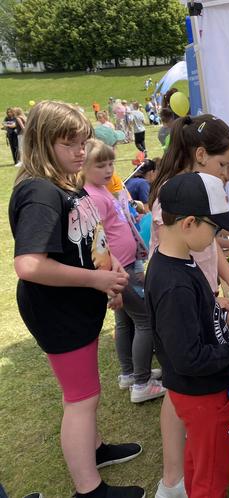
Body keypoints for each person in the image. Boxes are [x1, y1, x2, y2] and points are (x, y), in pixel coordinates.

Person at [8, 100, 144, 497]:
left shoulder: (68, 182)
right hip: (56, 311)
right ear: (42, 142)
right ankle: (89, 490)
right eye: (70, 144)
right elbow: (29, 265)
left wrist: (112, 273)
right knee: (81, 399)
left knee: (88, 391)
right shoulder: (38, 191)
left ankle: (95, 449)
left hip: (76, 303)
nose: (81, 151)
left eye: (84, 141)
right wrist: (95, 280)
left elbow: (90, 237)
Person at [148, 114, 229, 498]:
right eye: (214, 229)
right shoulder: (173, 284)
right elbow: (188, 358)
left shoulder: (183, 261)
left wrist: (227, 316)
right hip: (204, 396)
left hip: (207, 395)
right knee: (212, 481)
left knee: (201, 464)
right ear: (189, 223)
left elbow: (201, 315)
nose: (217, 237)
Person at [83, 139, 166, 404]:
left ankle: (130, 373)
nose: (108, 169)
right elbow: (99, 241)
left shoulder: (101, 188)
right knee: (145, 321)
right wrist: (114, 282)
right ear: (83, 166)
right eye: (101, 165)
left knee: (126, 321)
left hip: (126, 264)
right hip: (120, 269)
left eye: (111, 163)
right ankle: (141, 383)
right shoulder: (93, 196)